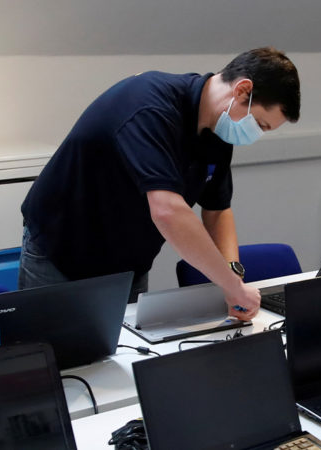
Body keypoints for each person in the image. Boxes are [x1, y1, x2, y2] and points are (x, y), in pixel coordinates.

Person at [19, 47, 300, 321]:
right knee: (52, 347)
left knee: (122, 347)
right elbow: (167, 210)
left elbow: (217, 210)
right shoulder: (149, 106)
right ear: (242, 90)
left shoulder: (218, 129)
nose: (255, 134)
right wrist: (231, 287)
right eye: (260, 124)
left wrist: (232, 275)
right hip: (61, 251)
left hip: (128, 265)